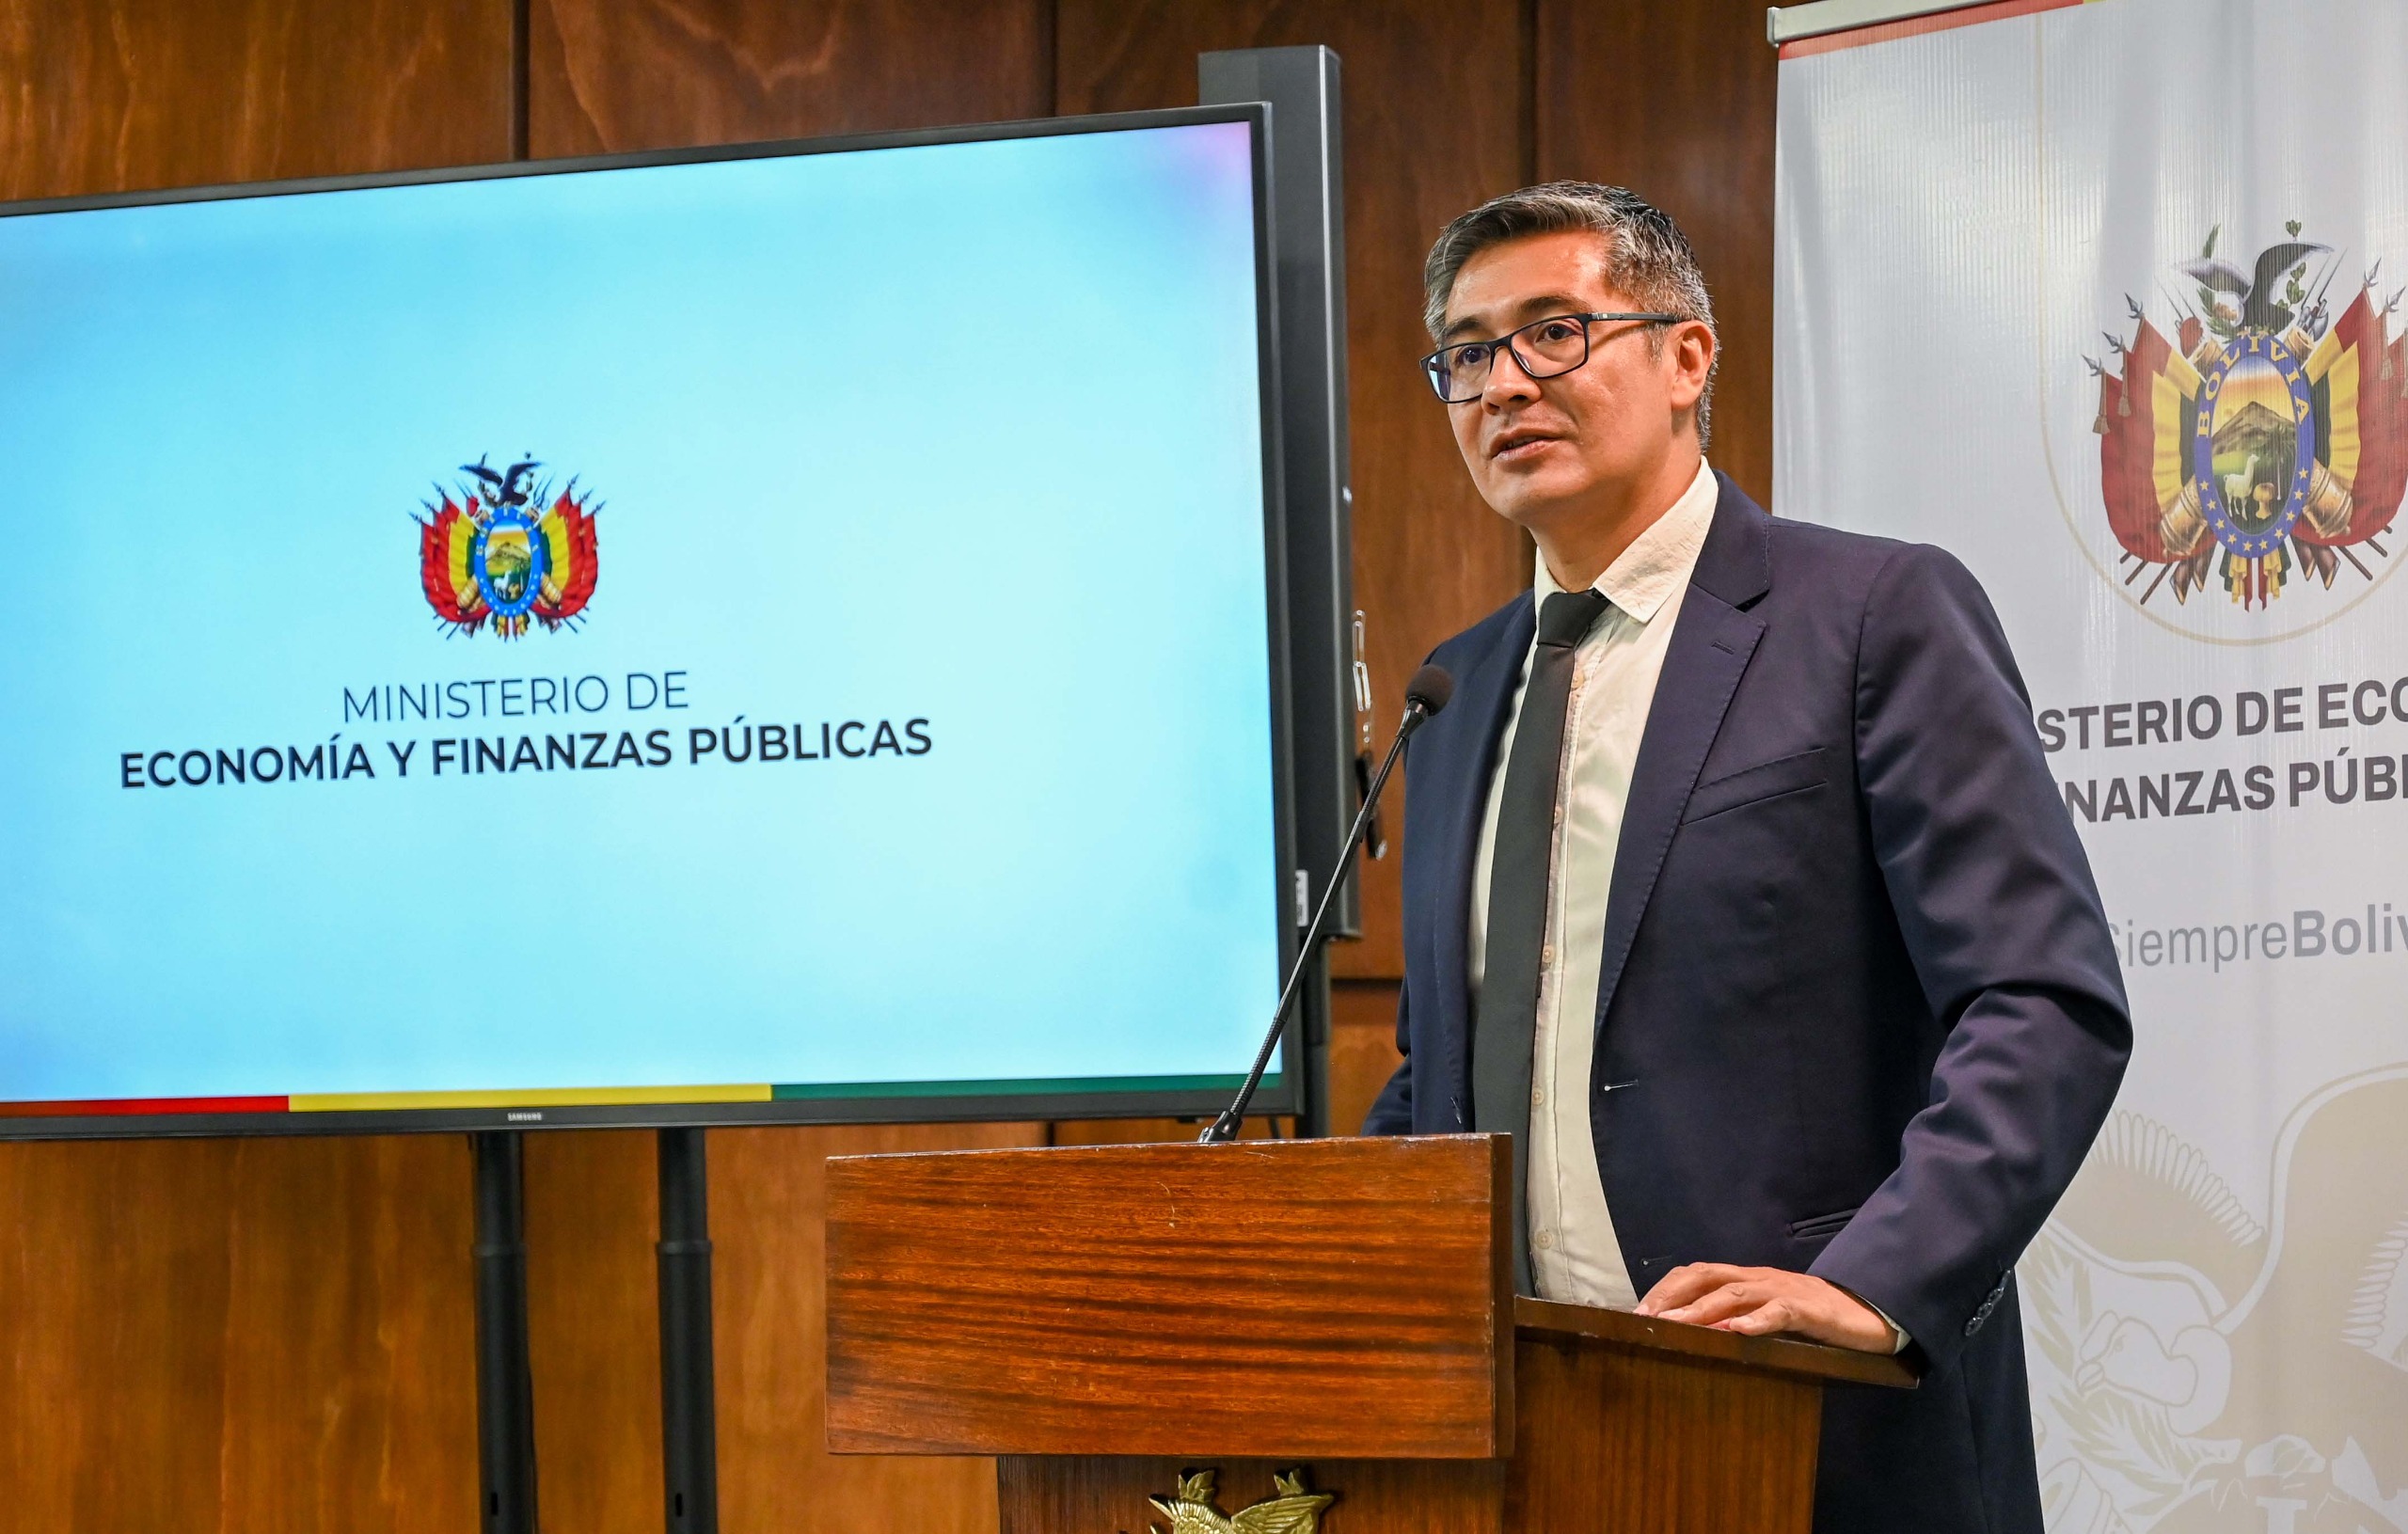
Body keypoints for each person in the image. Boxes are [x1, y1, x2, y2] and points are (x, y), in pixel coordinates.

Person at [1362, 182, 2131, 1534]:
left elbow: (2041, 999)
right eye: (1467, 355)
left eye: (1553, 332)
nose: (1504, 385)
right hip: (1512, 1437)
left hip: (1811, 1421)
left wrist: (1876, 1282)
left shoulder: (1872, 614)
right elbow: (1447, 1069)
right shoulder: (1457, 691)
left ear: (1687, 358)